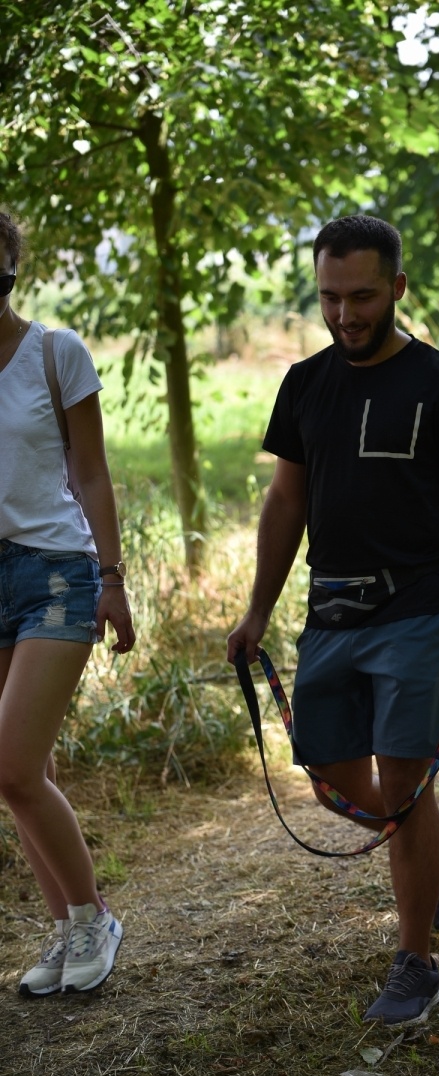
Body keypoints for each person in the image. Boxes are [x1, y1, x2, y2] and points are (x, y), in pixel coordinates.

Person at [227, 214, 439, 1026]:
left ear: (396, 288)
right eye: (328, 298)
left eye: (360, 296)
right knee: (333, 780)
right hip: (329, 611)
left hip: (416, 608)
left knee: (400, 782)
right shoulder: (304, 383)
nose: (345, 315)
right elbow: (286, 500)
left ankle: (415, 959)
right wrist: (256, 608)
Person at [0, 211, 135, 996]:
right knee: (27, 769)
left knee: (11, 767)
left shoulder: (56, 353)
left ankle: (92, 917)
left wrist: (112, 578)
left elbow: (92, 474)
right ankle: (64, 930)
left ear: (12, 266)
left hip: (56, 570)